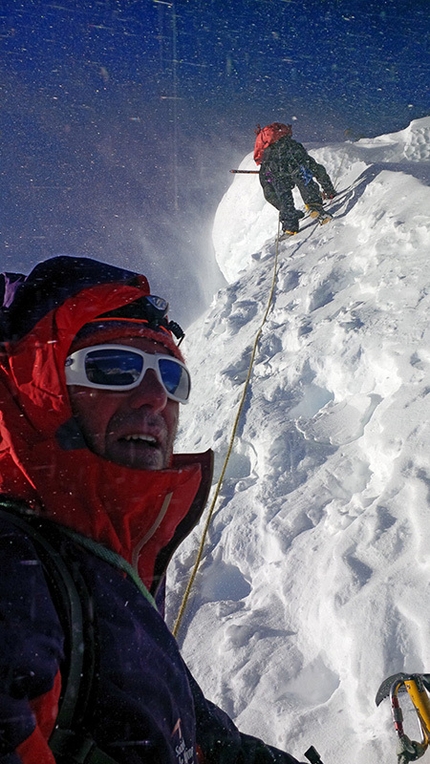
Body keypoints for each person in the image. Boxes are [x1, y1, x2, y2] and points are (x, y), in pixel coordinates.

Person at [0, 255, 303, 764]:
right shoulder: (18, 568)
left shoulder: (110, 569)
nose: (152, 397)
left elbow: (191, 728)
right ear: (46, 390)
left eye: (170, 376)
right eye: (113, 367)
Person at [254, 122, 337, 235]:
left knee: (282, 193)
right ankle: (313, 205)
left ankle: (290, 224)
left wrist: (285, 210)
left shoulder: (268, 155)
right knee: (304, 177)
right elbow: (317, 169)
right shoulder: (293, 145)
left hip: (275, 167)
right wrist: (328, 189)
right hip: (294, 157)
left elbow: (269, 193)